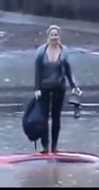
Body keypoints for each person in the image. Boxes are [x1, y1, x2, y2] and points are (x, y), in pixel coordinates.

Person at [34, 25, 81, 153]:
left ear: (59, 37)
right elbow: (38, 70)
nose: (54, 37)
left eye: (56, 35)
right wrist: (36, 88)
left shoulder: (63, 50)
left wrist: (73, 86)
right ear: (48, 37)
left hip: (59, 88)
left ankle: (54, 147)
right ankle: (45, 147)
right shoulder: (41, 51)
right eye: (52, 35)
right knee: (43, 118)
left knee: (56, 118)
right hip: (44, 87)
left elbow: (68, 70)